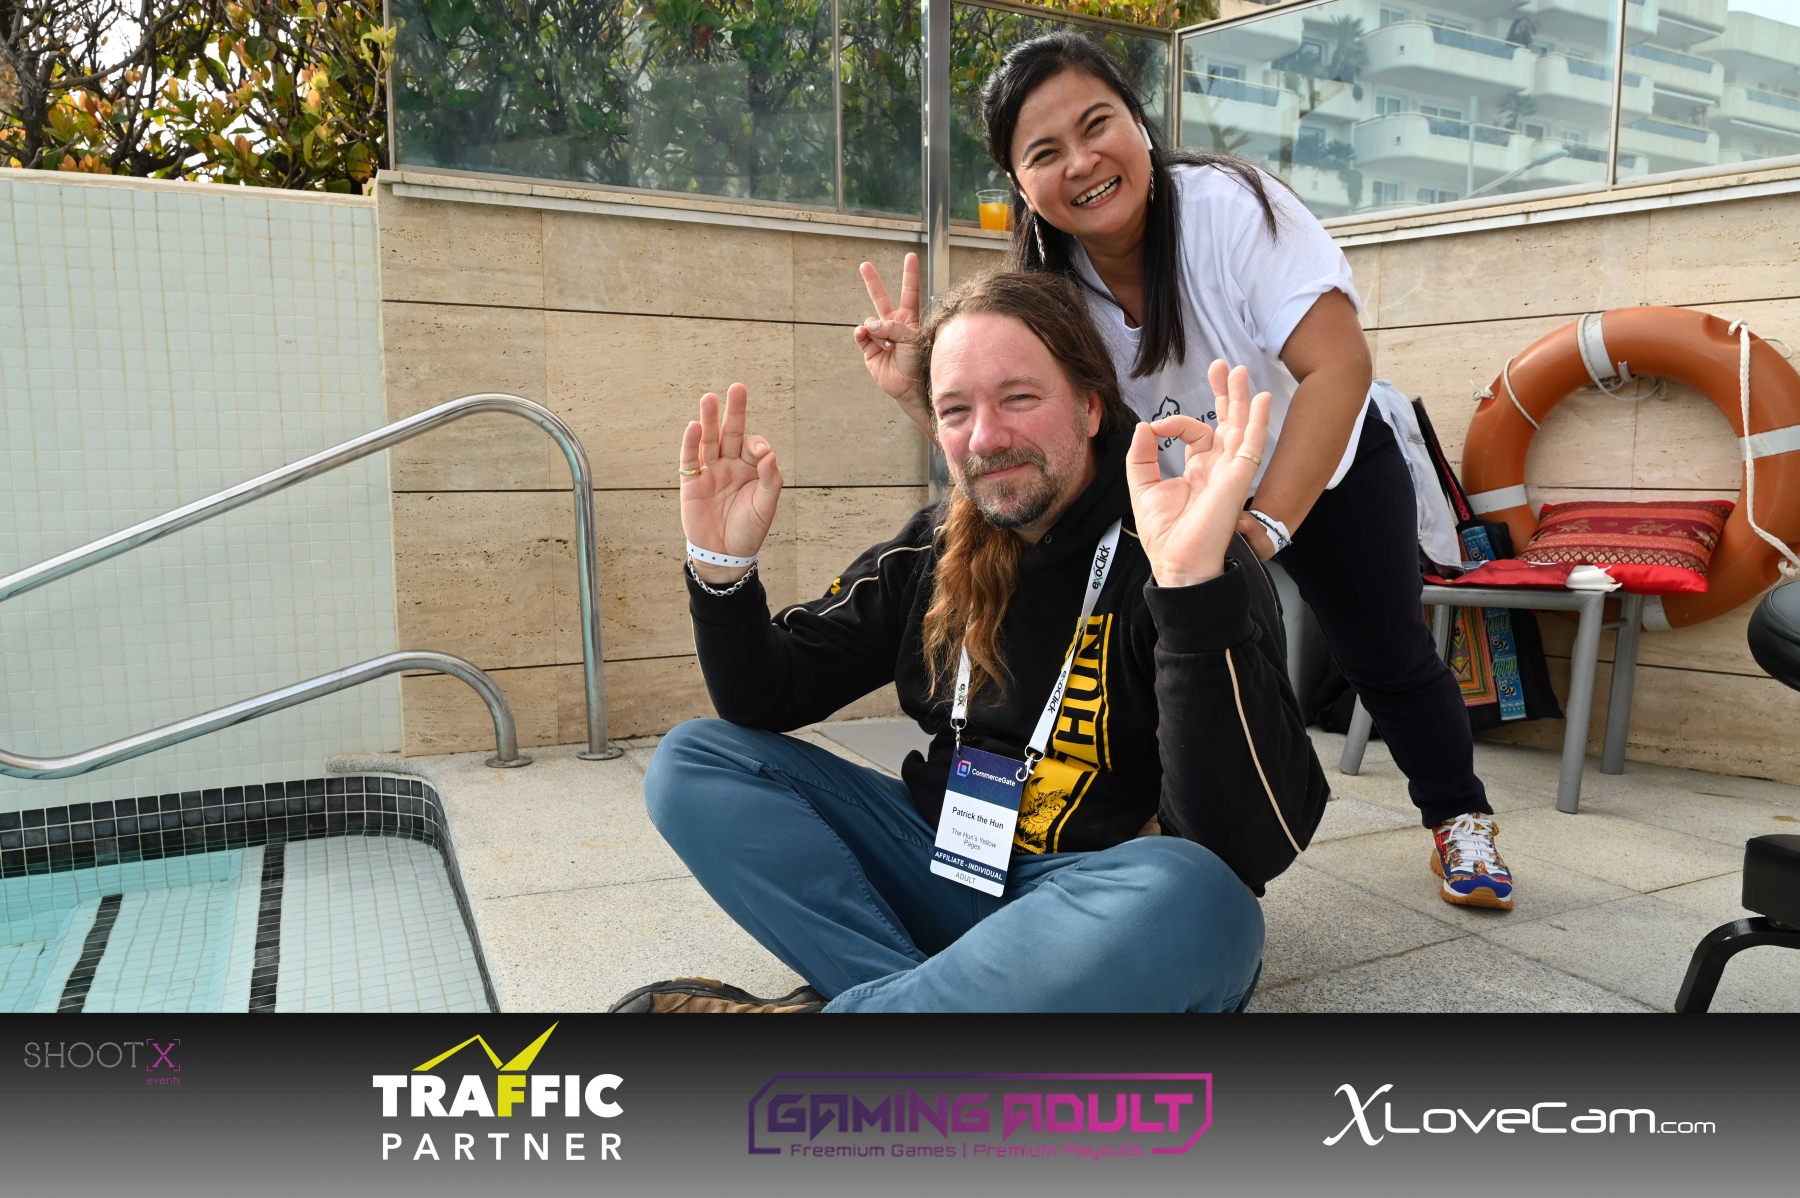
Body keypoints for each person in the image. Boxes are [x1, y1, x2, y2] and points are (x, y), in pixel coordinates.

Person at [853, 33, 1513, 913]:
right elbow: (1026, 445)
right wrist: (915, 393)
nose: (1081, 163)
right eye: (1044, 153)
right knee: (1160, 655)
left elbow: (1339, 367)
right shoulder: (1048, 286)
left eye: (1098, 124)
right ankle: (1154, 837)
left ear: (1139, 122)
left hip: (1323, 460)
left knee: (1385, 652)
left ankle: (1460, 815)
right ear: (1019, 183)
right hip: (1181, 493)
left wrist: (1265, 523)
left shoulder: (1231, 211)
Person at [612, 270, 1327, 1013]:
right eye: (956, 410)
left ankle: (873, 1013)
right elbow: (766, 697)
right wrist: (721, 570)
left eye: (1019, 398)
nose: (985, 437)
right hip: (941, 863)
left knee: (1201, 896)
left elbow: (1248, 845)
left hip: (1094, 910)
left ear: (1090, 407)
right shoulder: (936, 548)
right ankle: (927, 1011)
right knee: (695, 762)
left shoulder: (1186, 550)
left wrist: (1189, 592)